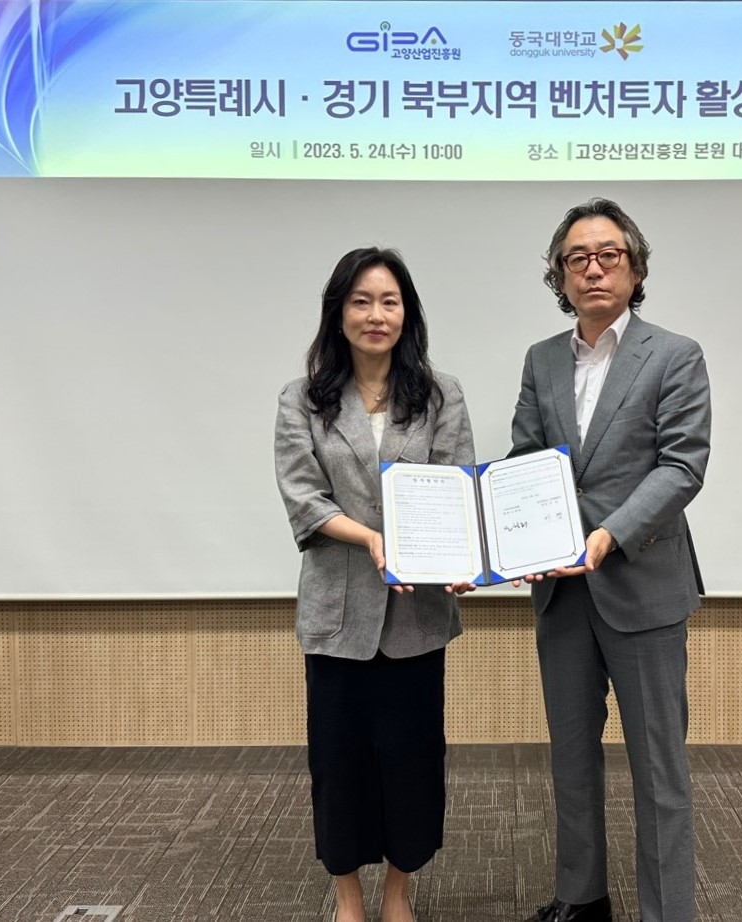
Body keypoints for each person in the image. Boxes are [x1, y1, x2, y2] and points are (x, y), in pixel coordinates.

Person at [510, 199, 711, 922]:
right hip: (563, 593)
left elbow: (681, 467)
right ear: (560, 276)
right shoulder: (541, 359)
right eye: (577, 258)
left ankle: (667, 912)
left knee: (658, 767)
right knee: (570, 755)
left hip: (642, 583)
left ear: (634, 268)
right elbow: (526, 462)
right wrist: (512, 538)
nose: (592, 268)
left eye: (608, 255)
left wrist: (607, 535)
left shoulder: (675, 354)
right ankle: (581, 895)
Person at [274, 247, 475, 922]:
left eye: (390, 301)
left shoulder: (440, 394)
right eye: (361, 301)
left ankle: (397, 894)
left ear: (407, 314)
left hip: (417, 612)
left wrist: (461, 555)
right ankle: (348, 898)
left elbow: (454, 485)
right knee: (339, 764)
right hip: (337, 612)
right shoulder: (302, 399)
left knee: (412, 761)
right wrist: (368, 538)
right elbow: (303, 497)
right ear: (338, 314)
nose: (376, 315)